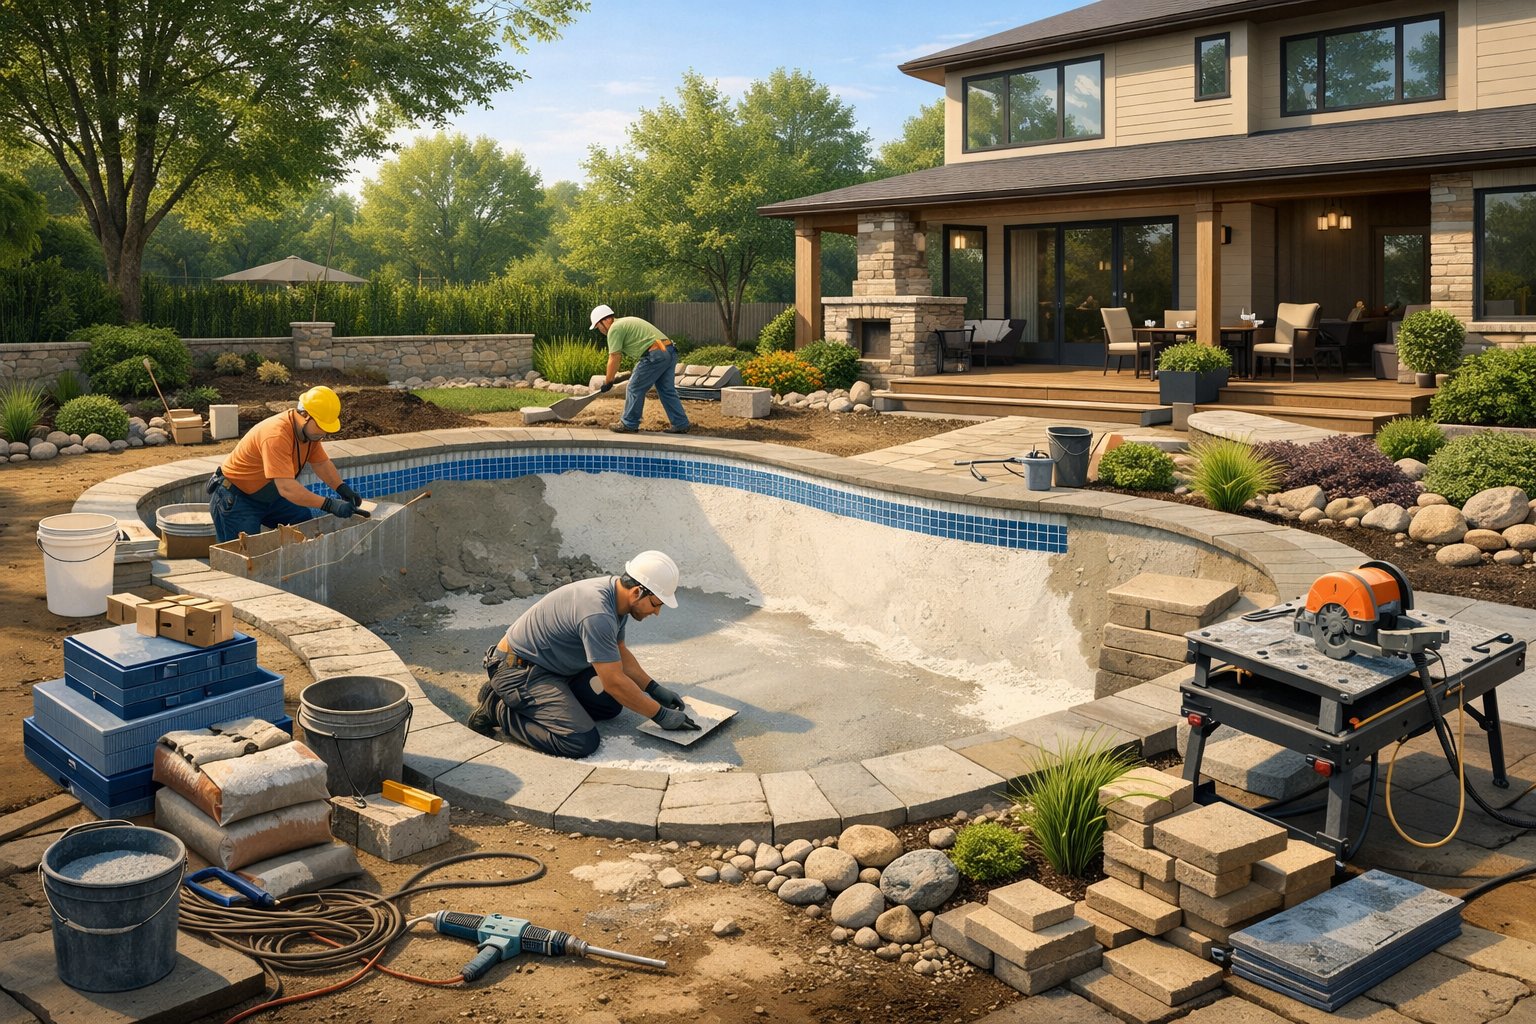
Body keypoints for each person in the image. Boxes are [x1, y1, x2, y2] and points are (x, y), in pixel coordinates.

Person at [469, 550, 699, 758]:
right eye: (656, 604)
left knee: (609, 706)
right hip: (519, 670)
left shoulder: (615, 597)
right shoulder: (598, 613)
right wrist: (660, 715)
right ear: (638, 591)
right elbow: (613, 682)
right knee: (580, 741)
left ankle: (534, 701)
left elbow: (619, 652)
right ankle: (500, 708)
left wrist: (653, 688)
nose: (657, 612)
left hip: (554, 667)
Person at [208, 385, 363, 543]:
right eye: (320, 426)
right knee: (245, 555)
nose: (323, 432)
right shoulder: (276, 435)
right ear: (304, 415)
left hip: (269, 497)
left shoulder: (310, 434)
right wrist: (330, 505)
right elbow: (287, 488)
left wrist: (342, 488)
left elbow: (321, 463)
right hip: (236, 498)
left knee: (301, 521)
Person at [589, 304, 691, 435]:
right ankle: (681, 423)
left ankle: (629, 423)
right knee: (666, 390)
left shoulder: (614, 328)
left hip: (655, 354)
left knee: (634, 387)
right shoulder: (625, 323)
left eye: (598, 326)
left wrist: (609, 381)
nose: (600, 330)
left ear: (606, 320)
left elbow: (614, 357)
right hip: (669, 350)